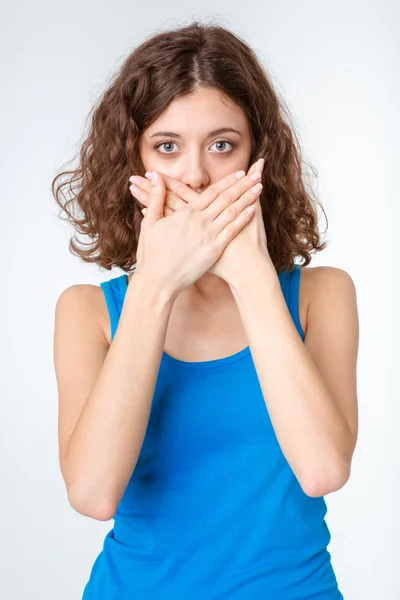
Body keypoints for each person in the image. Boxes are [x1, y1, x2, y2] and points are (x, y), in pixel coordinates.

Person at [52, 20, 359, 600]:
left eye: (222, 145)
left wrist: (252, 277)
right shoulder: (87, 313)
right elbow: (93, 495)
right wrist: (155, 287)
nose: (194, 175)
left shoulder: (323, 295)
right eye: (166, 147)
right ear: (134, 163)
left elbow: (323, 470)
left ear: (257, 158)